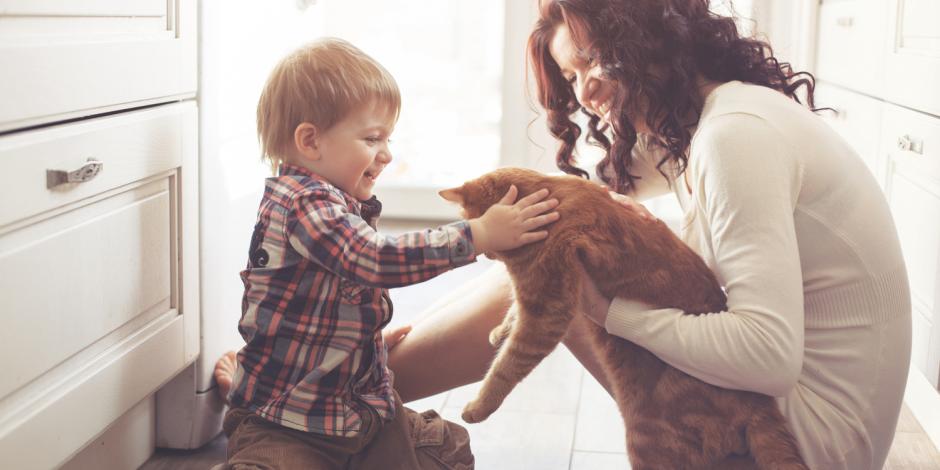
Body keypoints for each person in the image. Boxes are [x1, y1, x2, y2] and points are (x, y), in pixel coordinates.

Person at [387, 1, 910, 469]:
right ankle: (369, 372)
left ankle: (358, 396)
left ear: (648, 40)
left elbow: (769, 358)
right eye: (570, 76)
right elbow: (563, 203)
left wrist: (609, 312)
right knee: (552, 243)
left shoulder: (736, 137)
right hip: (790, 418)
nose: (584, 92)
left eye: (593, 60)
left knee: (556, 270)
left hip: (804, 442)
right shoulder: (702, 121)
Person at [217, 37, 561, 470]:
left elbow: (323, 304)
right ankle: (246, 408)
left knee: (448, 451)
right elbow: (374, 259)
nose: (386, 154)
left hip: (357, 414)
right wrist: (477, 234)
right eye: (372, 138)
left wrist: (368, 347)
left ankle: (245, 390)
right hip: (287, 422)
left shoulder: (334, 201)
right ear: (310, 141)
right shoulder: (304, 203)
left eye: (388, 138)